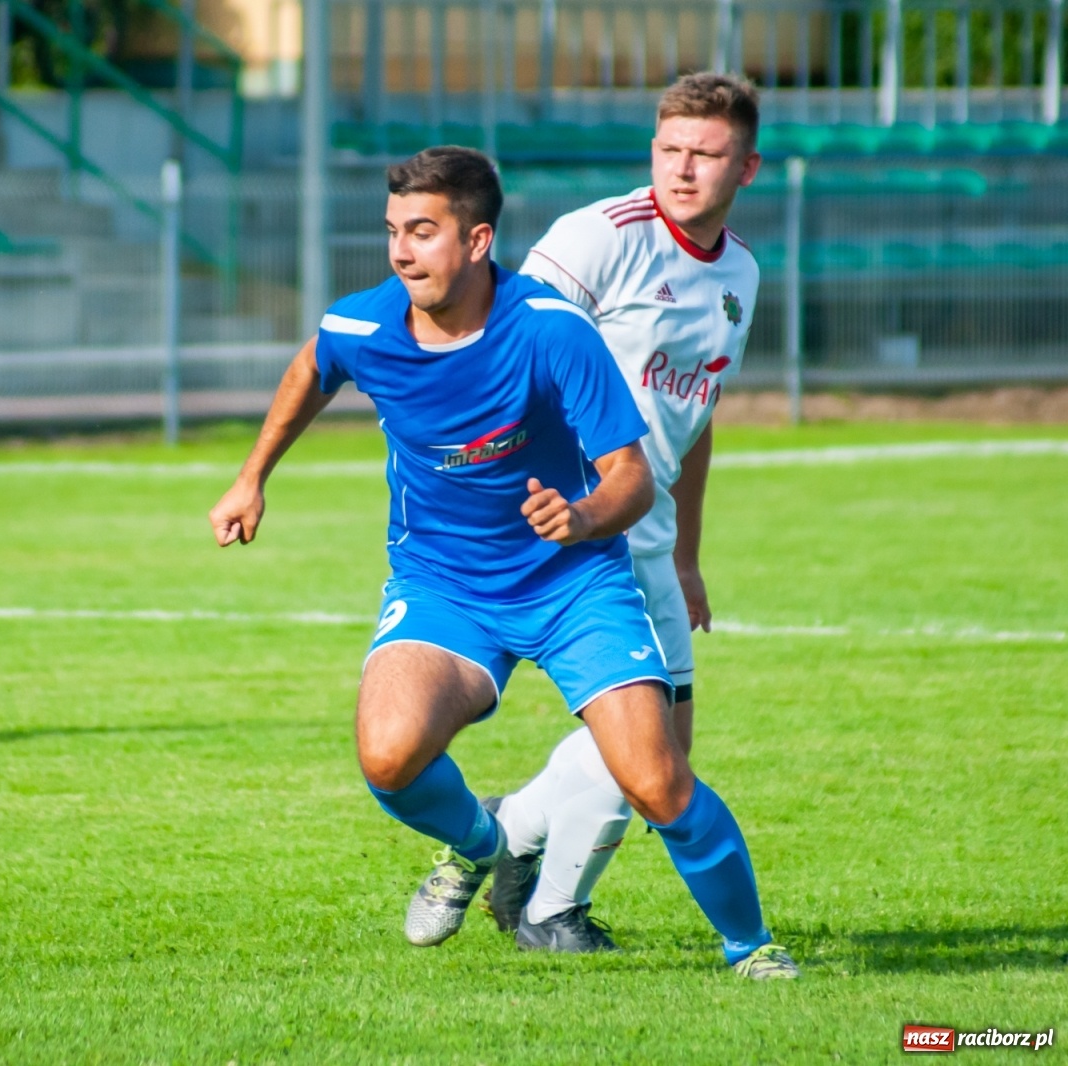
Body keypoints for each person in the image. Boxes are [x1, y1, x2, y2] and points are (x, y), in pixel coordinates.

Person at [208, 145, 796, 978]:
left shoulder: (551, 330)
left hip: (574, 583)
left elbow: (630, 476)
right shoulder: (365, 323)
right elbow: (313, 364)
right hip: (443, 587)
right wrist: (250, 478)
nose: (402, 252)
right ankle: (485, 841)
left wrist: (580, 514)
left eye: (423, 232)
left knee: (659, 780)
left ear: (478, 240)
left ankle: (753, 949)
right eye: (392, 232)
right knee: (387, 755)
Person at [483, 72, 766, 955]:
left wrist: (687, 554)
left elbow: (698, 417)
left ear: (747, 167)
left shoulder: (742, 274)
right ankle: (549, 913)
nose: (684, 169)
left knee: (659, 751)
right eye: (671, 149)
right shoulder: (599, 237)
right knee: (650, 755)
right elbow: (511, 345)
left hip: (651, 536)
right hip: (583, 523)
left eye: (707, 154)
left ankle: (514, 829)